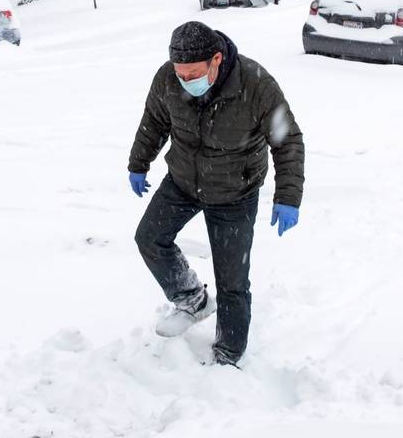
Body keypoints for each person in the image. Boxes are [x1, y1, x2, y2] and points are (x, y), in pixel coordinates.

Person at [128, 21, 304, 367]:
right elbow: (155, 120)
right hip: (182, 180)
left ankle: (228, 353)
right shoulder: (168, 77)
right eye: (180, 74)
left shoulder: (255, 84)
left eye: (192, 74)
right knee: (149, 237)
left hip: (234, 191)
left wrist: (288, 196)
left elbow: (287, 141)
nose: (184, 80)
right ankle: (192, 299)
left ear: (217, 60)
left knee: (232, 281)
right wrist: (139, 162)